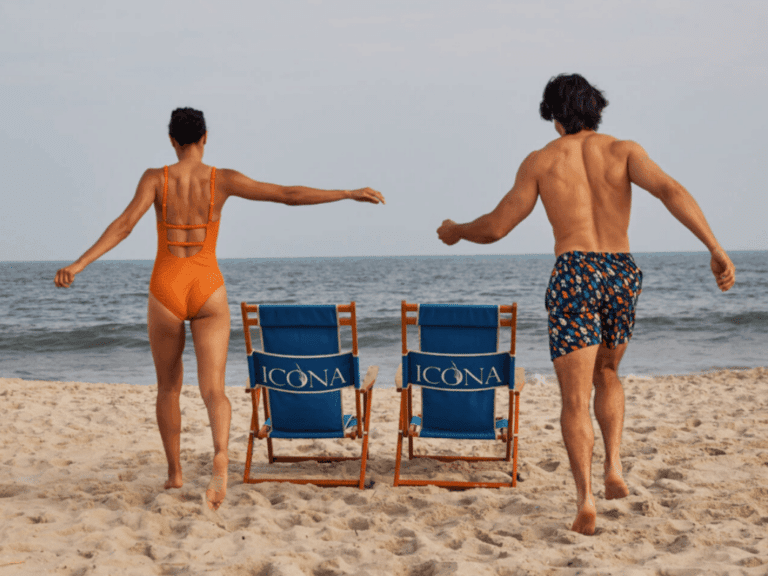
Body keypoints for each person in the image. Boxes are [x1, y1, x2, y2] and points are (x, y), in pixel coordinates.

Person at [436, 74, 735, 535]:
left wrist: (457, 230)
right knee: (609, 374)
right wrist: (714, 247)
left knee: (574, 397)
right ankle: (614, 465)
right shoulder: (625, 151)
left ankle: (586, 499)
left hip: (574, 270)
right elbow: (671, 191)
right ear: (597, 110)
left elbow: (497, 226)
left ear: (554, 119)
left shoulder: (541, 161)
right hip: (620, 271)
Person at [55, 107, 385, 510]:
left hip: (166, 287)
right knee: (213, 389)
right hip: (208, 287)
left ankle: (175, 474)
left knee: (168, 388)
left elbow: (124, 225)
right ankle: (220, 456)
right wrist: (347, 193)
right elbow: (288, 196)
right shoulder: (222, 180)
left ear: (173, 141)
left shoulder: (155, 178)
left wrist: (78, 264)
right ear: (205, 137)